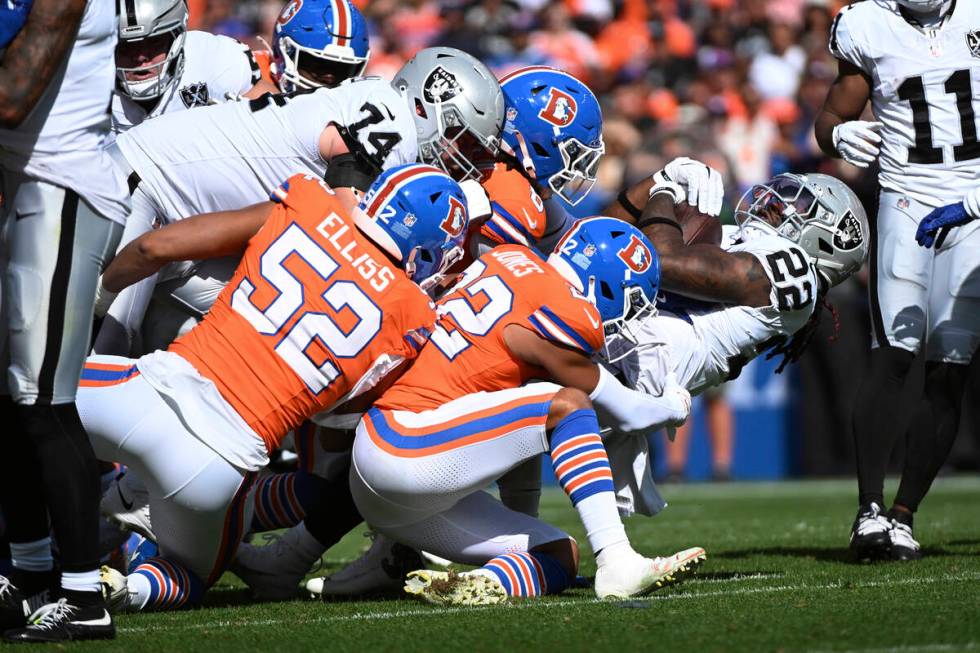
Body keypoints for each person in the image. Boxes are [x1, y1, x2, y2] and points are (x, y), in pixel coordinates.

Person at [91, 164, 468, 613]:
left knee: (28, 400)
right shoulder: (415, 318)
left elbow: (156, 246)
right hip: (217, 463)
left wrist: (100, 293)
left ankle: (35, 547)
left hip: (146, 392)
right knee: (190, 576)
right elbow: (330, 430)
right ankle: (129, 589)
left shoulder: (308, 201)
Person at [351, 217, 700, 606]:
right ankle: (617, 557)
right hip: (406, 441)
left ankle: (488, 581)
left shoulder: (509, 259)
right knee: (567, 405)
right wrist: (676, 404)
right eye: (631, 302)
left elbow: (518, 420)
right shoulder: (563, 308)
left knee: (559, 555)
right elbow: (629, 414)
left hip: (384, 480)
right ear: (604, 285)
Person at [814, 0, 980, 560]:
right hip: (907, 200)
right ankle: (869, 511)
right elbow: (830, 116)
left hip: (976, 206)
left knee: (950, 366)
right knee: (894, 353)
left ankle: (904, 515)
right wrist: (837, 138)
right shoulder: (866, 25)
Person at [0, 0, 130, 642]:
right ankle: (27, 576)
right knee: (9, 400)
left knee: (44, 401)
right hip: (23, 185)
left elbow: (10, 98)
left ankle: (83, 593)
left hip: (63, 189)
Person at [111, 0, 276, 136]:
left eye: (154, 42)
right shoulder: (89, 88)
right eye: (127, 46)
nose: (141, 57)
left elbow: (276, 124)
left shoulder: (214, 57)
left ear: (177, 37)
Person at [271, 0, 370, 92]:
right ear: (283, 49)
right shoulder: (258, 85)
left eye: (343, 68)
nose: (329, 76)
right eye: (318, 63)